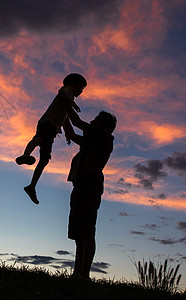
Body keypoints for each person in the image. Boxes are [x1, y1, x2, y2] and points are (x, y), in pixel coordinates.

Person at [15, 73, 87, 204]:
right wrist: (72, 104)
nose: (81, 91)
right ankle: (25, 155)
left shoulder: (68, 101)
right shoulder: (67, 90)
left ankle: (31, 186)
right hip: (47, 123)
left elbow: (65, 120)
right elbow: (61, 93)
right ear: (72, 83)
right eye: (81, 87)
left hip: (53, 128)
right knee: (39, 139)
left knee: (44, 159)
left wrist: (67, 134)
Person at [64, 108, 117, 280]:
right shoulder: (91, 141)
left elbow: (78, 123)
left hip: (89, 186)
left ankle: (84, 274)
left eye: (96, 119)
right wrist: (60, 116)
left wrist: (64, 102)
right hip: (80, 186)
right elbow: (72, 133)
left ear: (104, 125)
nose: (92, 121)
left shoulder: (103, 136)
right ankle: (77, 273)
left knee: (86, 232)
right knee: (79, 233)